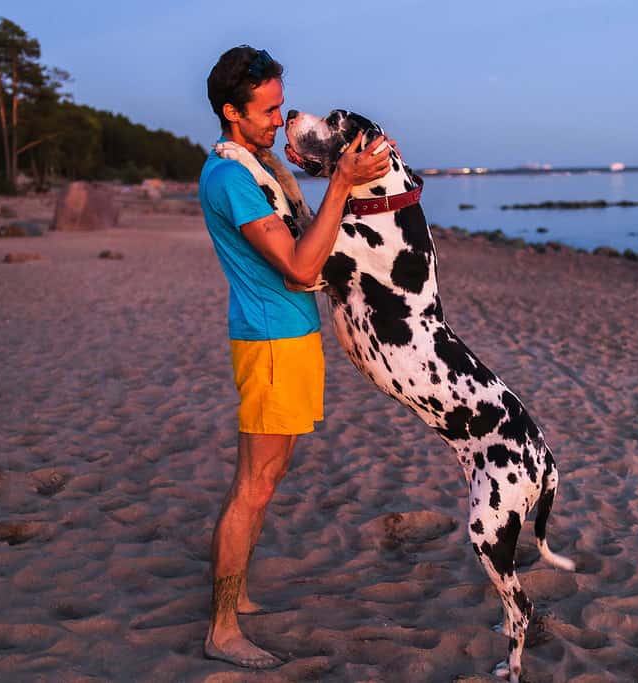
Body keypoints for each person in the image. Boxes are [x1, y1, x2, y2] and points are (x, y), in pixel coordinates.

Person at [199, 45, 390, 669]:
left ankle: (240, 597)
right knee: (253, 487)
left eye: (282, 107)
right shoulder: (231, 177)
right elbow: (303, 264)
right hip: (271, 343)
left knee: (262, 479)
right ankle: (222, 630)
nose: (280, 121)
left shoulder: (254, 165)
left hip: (289, 338)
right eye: (268, 110)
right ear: (231, 111)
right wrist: (339, 181)